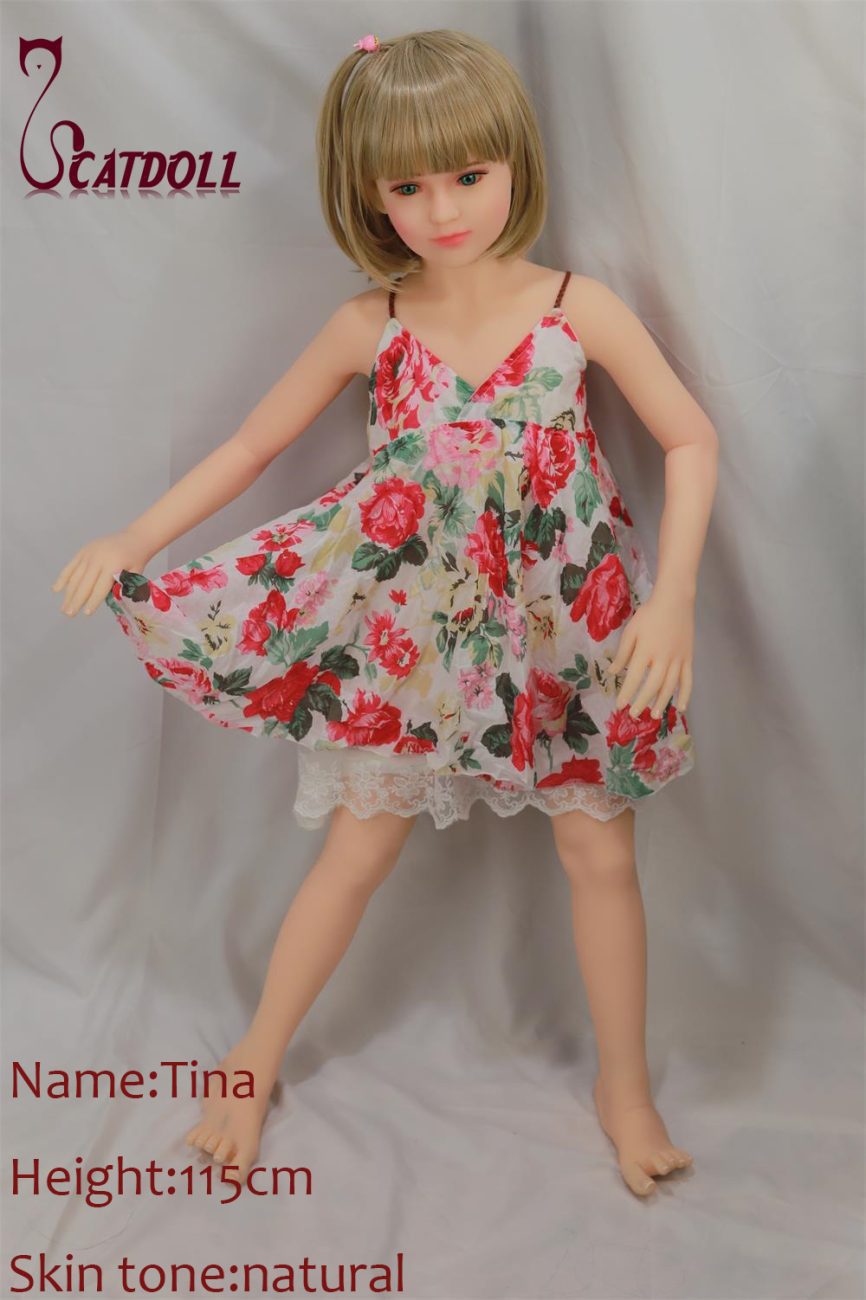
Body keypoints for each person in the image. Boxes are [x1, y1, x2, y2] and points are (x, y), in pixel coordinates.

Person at [52, 29, 718, 1197]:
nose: (441, 209)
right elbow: (249, 445)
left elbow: (689, 437)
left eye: (465, 174)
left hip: (571, 627)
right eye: (406, 187)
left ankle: (625, 1091)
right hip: (416, 638)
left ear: (511, 163)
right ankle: (251, 1062)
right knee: (355, 846)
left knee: (597, 853)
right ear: (367, 194)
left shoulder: (576, 310)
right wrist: (134, 539)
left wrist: (672, 602)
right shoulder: (374, 326)